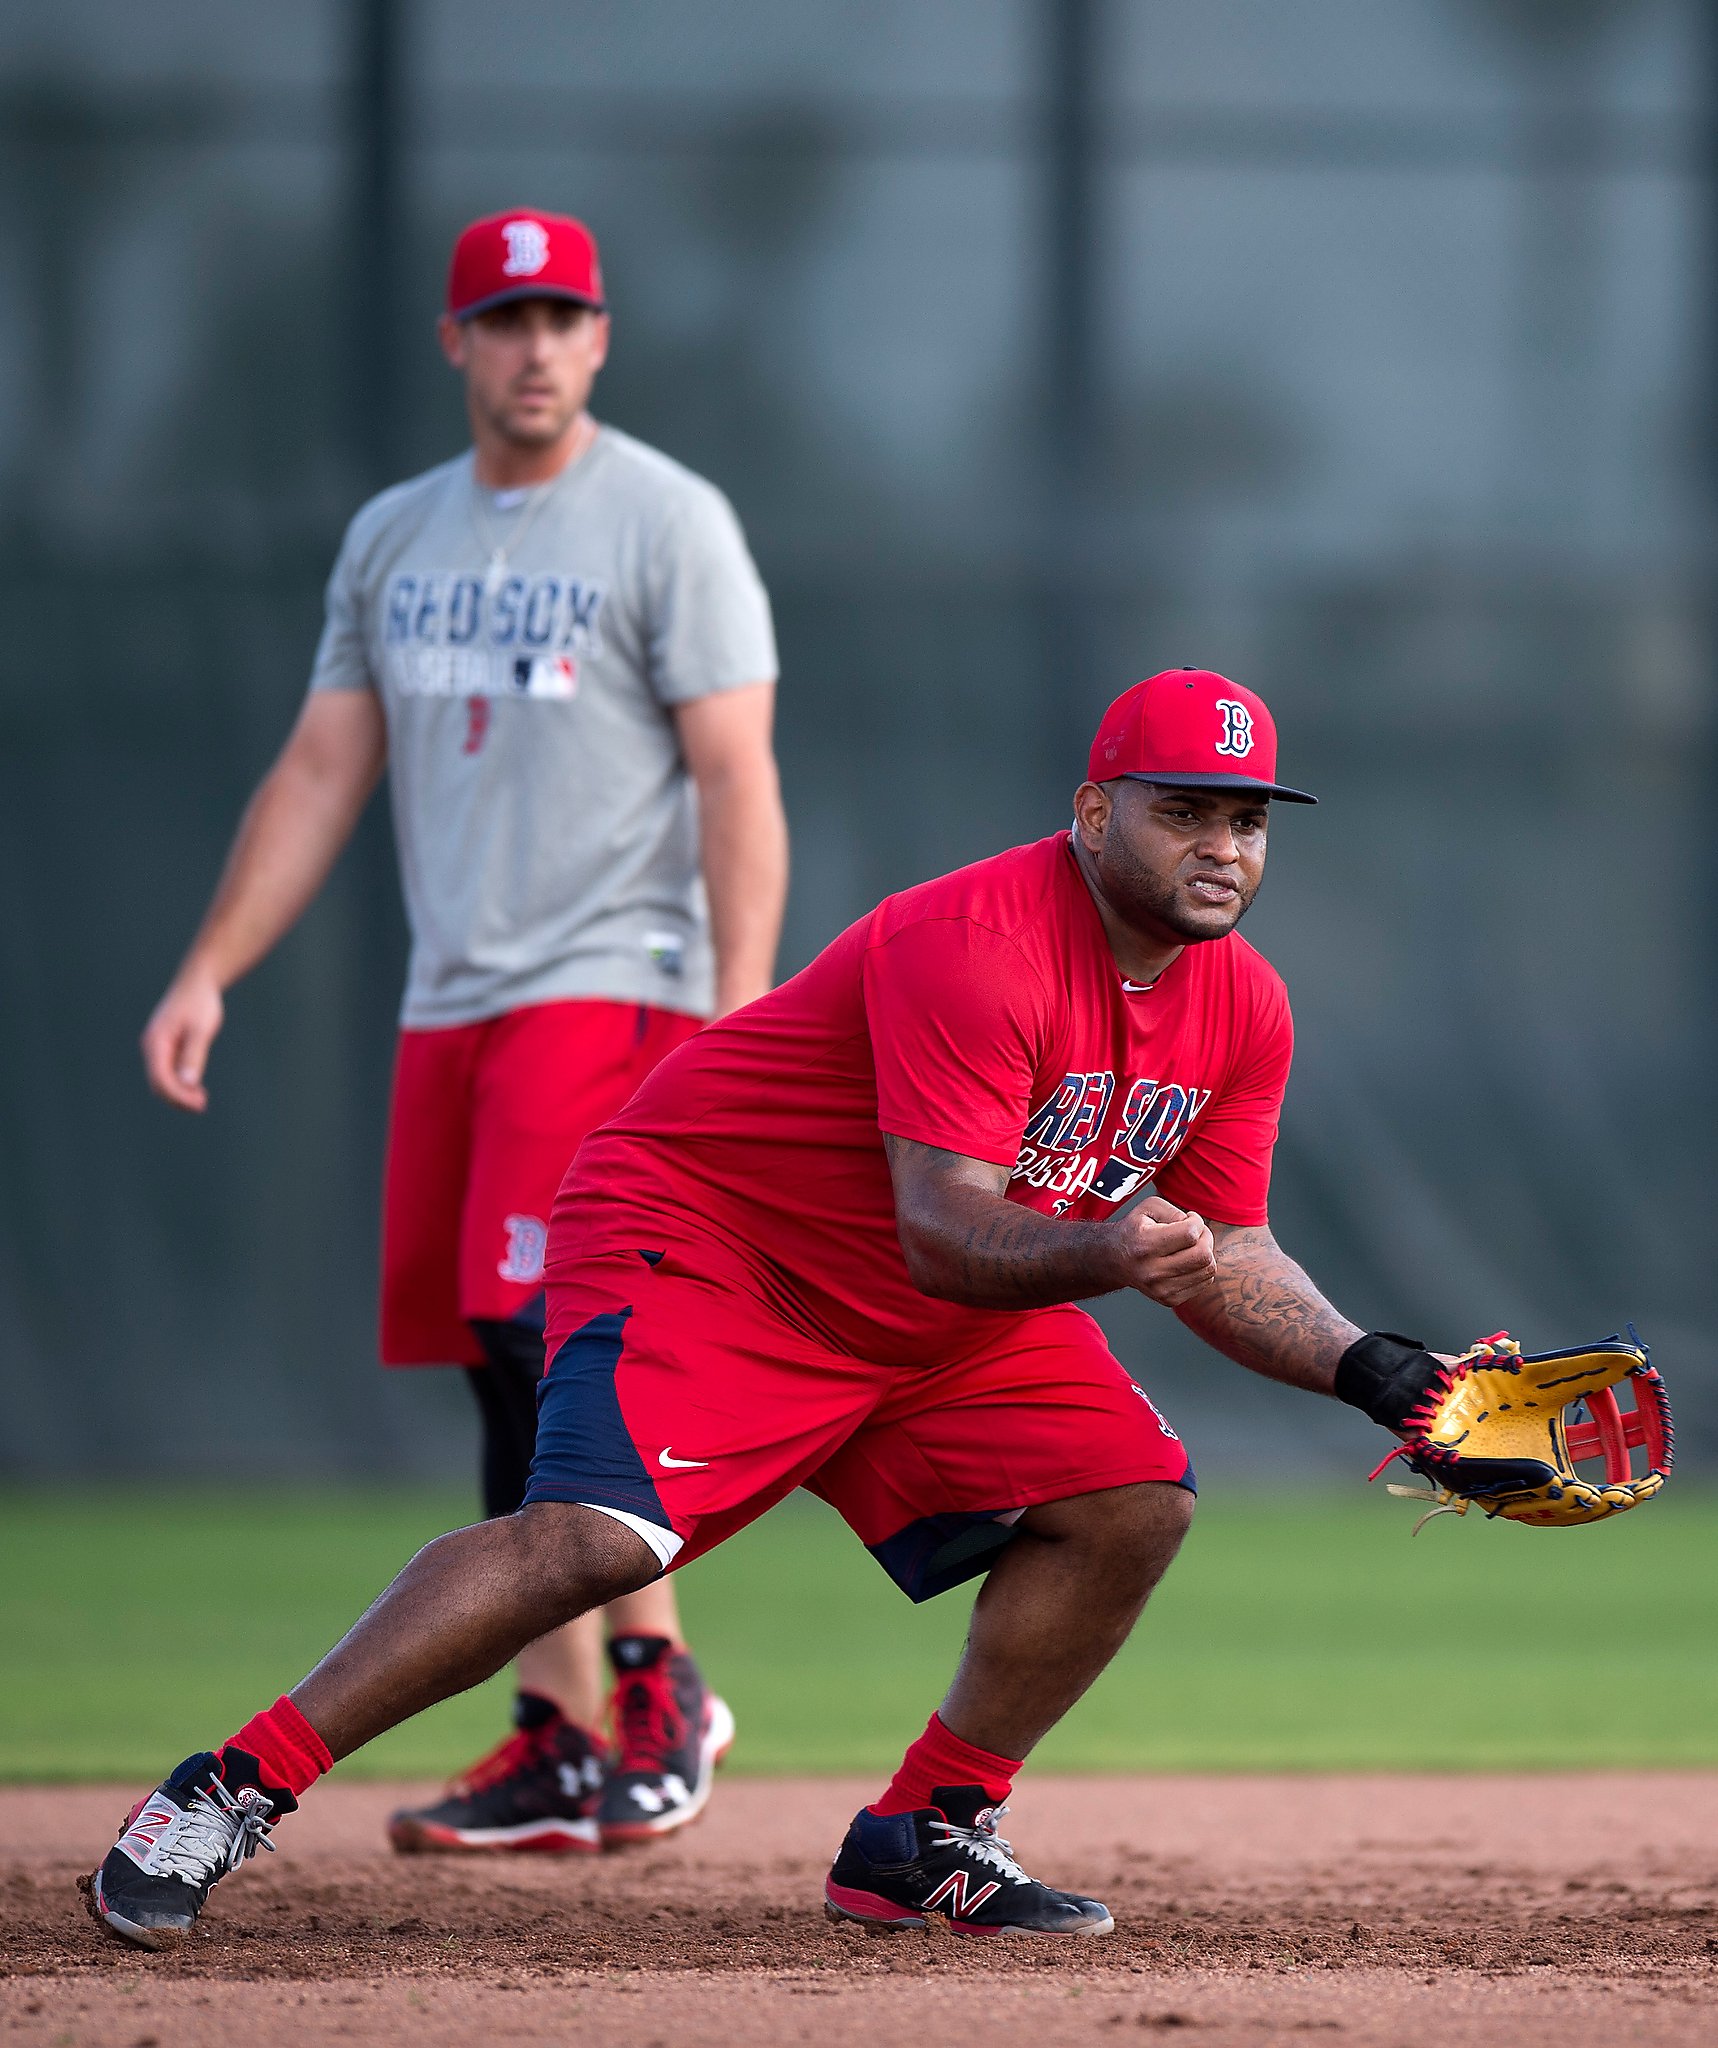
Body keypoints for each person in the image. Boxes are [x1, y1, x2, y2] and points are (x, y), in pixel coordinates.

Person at [93, 668, 1452, 1948]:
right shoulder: (975, 943)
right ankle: (227, 1787)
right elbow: (945, 1229)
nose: (1221, 846)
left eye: (1244, 818)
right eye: (1181, 811)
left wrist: (1377, 1375)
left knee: (1131, 1499)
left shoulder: (1242, 1006)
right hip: (716, 1246)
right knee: (592, 1541)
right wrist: (1106, 1247)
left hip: (925, 1315)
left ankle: (924, 1831)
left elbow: (1235, 1250)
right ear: (1093, 813)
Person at [134, 209, 787, 1855]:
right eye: (504, 319)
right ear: (456, 343)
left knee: (540, 1333)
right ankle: (558, 1724)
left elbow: (736, 777)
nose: (536, 346)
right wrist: (210, 963)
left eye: (563, 315)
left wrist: (737, 1014)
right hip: (456, 1003)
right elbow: (320, 767)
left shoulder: (665, 519)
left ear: (602, 337)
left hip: (615, 983)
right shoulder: (396, 538)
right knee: (495, 1364)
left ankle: (656, 1687)